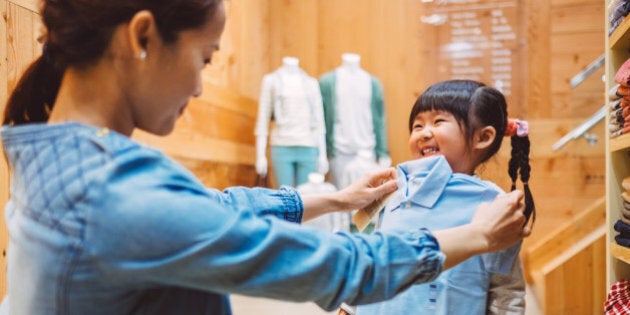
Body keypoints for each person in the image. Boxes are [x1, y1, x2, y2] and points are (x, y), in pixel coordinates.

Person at [1, 1, 529, 314]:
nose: (201, 86)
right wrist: (477, 236)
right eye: (204, 58)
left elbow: (209, 208)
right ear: (142, 36)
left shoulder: (59, 155)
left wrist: (333, 198)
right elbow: (343, 266)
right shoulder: (109, 190)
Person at [356, 80, 535, 315]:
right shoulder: (395, 192)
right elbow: (372, 259)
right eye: (417, 125)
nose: (423, 133)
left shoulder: (496, 205)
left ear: (483, 138)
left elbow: (506, 292)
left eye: (438, 121)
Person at [319, 53, 391, 189]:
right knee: (341, 197)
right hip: (339, 151)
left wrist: (383, 152)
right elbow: (320, 119)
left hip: (366, 150)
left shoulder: (372, 83)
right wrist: (322, 153)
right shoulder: (328, 82)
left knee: (368, 197)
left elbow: (380, 119)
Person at [254, 56, 328, 187]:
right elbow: (263, 119)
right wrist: (260, 156)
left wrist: (323, 155)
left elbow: (319, 122)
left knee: (306, 197)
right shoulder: (271, 81)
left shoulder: (311, 83)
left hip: (308, 146)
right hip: (281, 145)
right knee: (283, 196)